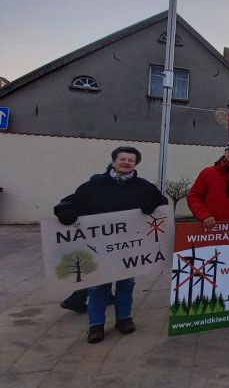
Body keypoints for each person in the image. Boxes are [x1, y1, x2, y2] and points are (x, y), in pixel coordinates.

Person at [53, 146, 167, 343]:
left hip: (129, 247)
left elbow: (161, 201)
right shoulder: (95, 185)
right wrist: (65, 211)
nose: (126, 163)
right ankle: (96, 325)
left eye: (131, 160)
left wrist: (153, 205)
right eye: (122, 159)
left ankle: (124, 318)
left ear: (135, 164)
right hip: (100, 246)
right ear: (114, 161)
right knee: (98, 286)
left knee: (126, 283)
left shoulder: (143, 186)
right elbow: (69, 202)